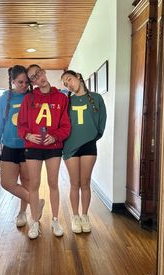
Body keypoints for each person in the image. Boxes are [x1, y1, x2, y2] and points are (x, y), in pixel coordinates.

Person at [18, 64, 71, 239]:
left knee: (53, 183)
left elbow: (65, 126)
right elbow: (21, 125)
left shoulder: (61, 98)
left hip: (53, 148)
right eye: (33, 77)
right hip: (33, 148)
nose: (38, 77)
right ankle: (35, 221)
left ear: (44, 72)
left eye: (39, 73)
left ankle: (55, 220)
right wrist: (28, 135)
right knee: (33, 185)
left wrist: (55, 137)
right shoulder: (29, 99)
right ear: (31, 82)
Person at [0, 65, 44, 228]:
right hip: (9, 147)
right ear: (12, 81)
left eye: (26, 82)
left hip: (29, 146)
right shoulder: (4, 99)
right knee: (7, 183)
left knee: (27, 182)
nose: (23, 85)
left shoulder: (34, 97)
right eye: (20, 82)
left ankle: (22, 213)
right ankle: (36, 203)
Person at [61, 70, 107, 234]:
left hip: (88, 145)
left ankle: (85, 216)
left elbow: (102, 120)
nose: (69, 84)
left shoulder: (96, 98)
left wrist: (94, 136)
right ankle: (75, 216)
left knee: (85, 182)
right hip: (70, 147)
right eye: (65, 84)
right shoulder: (67, 102)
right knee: (75, 183)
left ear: (78, 77)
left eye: (69, 79)